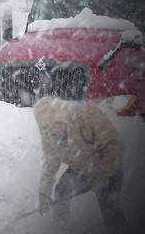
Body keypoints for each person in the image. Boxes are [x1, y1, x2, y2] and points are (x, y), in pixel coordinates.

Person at [34, 96, 127, 233]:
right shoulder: (49, 137)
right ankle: (60, 229)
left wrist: (102, 174)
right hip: (81, 168)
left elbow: (115, 146)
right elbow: (49, 167)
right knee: (62, 190)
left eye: (57, 122)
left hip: (108, 164)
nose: (55, 128)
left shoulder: (89, 115)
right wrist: (44, 196)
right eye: (48, 126)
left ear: (63, 116)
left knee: (108, 203)